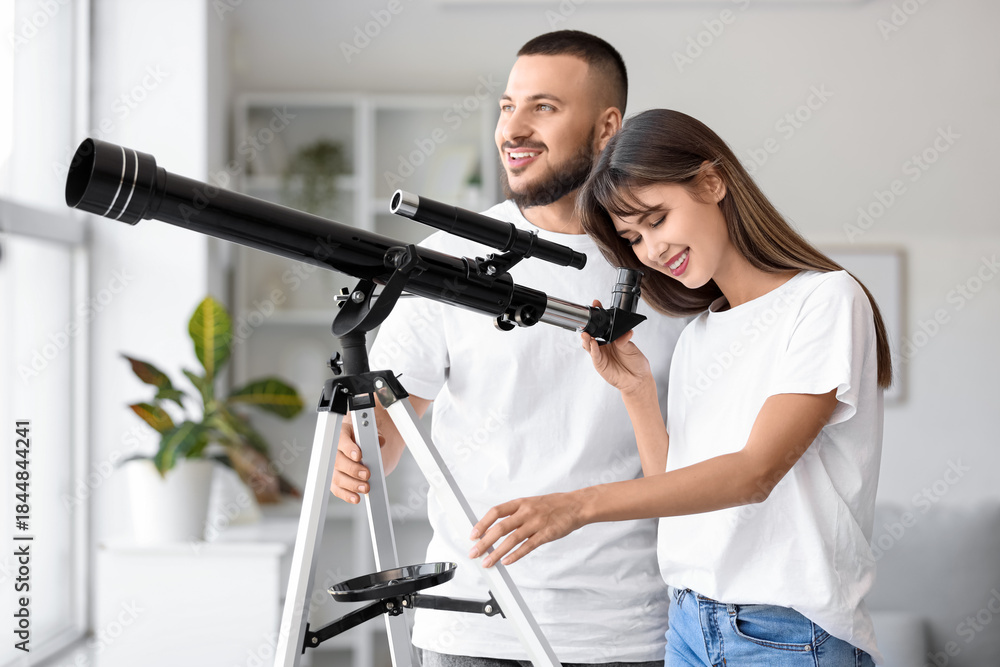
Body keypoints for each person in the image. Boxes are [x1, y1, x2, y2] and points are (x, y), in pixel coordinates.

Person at [469, 109, 891, 666]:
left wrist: (579, 506)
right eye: (632, 238)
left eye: (657, 219)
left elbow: (754, 473)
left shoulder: (825, 302)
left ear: (711, 182)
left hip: (788, 635)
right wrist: (638, 392)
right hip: (689, 624)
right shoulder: (699, 335)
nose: (650, 250)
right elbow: (680, 499)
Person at [331, 32, 688, 666]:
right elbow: (385, 427)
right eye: (505, 106)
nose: (513, 129)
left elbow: (696, 470)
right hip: (474, 627)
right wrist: (355, 450)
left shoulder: (668, 265)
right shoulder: (442, 262)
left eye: (543, 107)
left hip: (623, 629)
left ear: (608, 127)